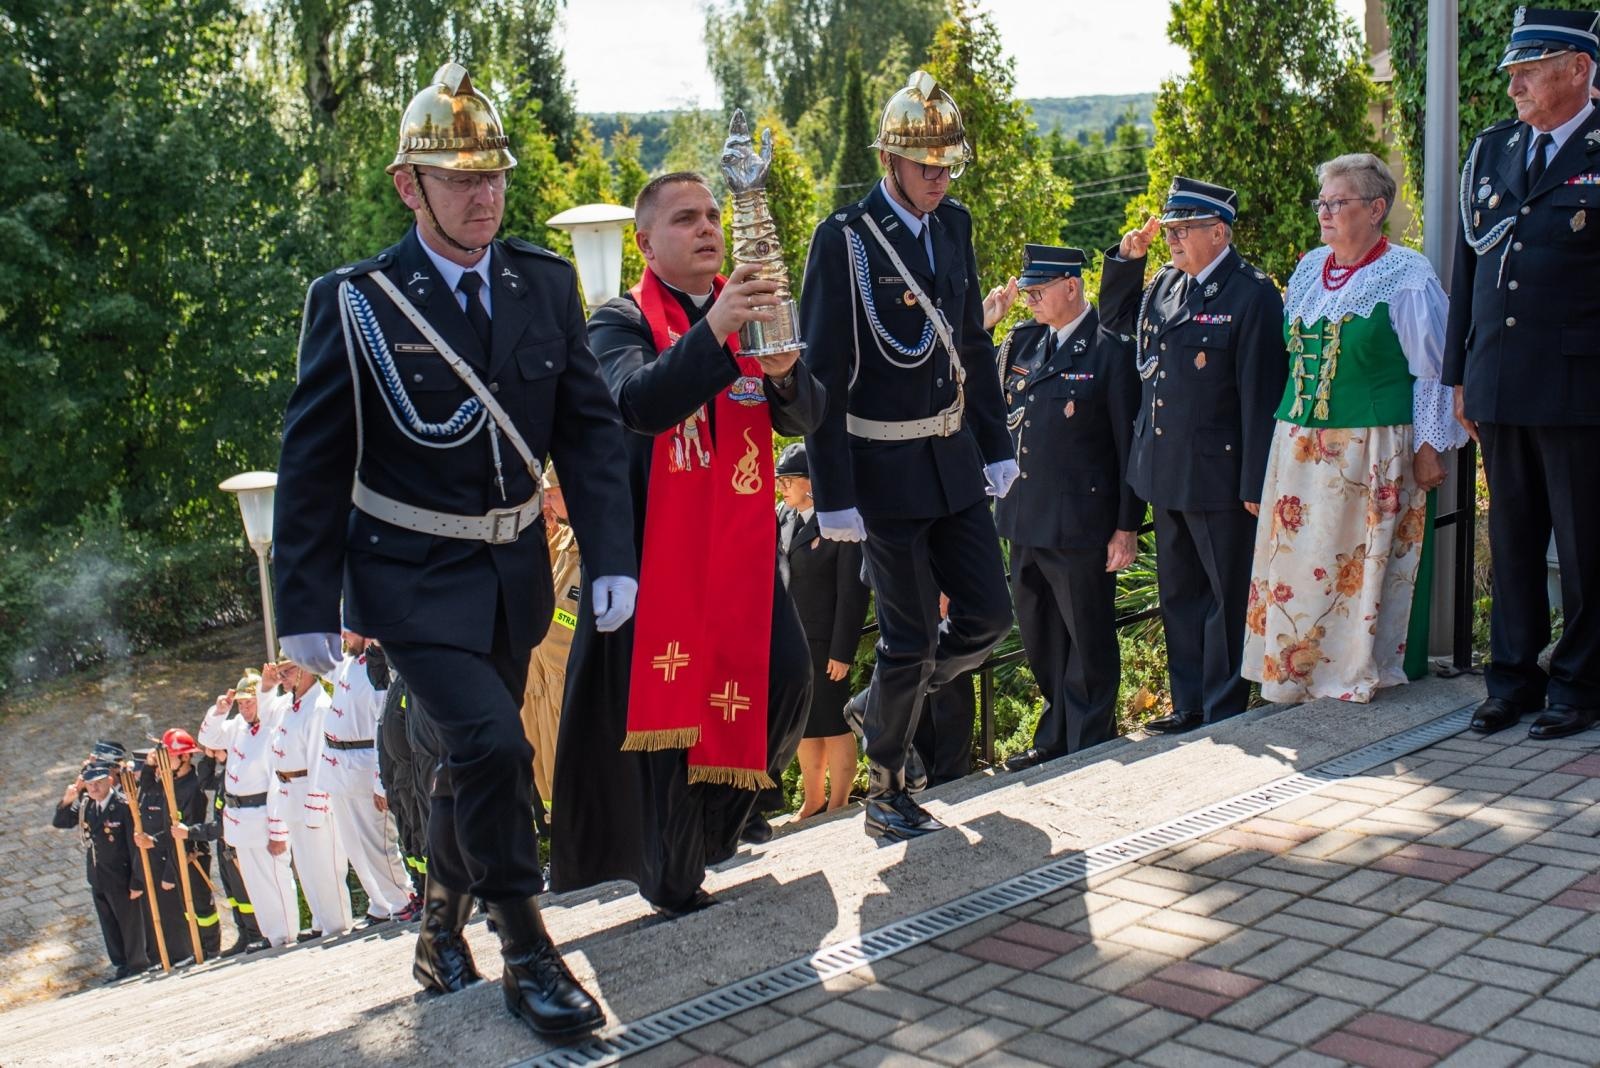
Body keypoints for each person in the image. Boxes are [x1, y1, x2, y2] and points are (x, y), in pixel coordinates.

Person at [272, 62, 636, 1037]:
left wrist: (611, 555)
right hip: (403, 574)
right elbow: (312, 461)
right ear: (410, 186)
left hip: (511, 570)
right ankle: (527, 950)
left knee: (460, 761)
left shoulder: (543, 285)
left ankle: (439, 930)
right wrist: (300, 606)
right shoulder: (357, 302)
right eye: (460, 177)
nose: (484, 194)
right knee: (493, 746)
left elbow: (587, 432)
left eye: (494, 175)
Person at [552, 170, 818, 915]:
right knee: (668, 725)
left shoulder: (750, 315)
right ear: (645, 242)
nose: (707, 229)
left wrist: (787, 375)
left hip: (736, 552)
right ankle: (673, 877)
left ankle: (715, 831)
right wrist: (716, 331)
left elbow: (803, 421)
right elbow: (639, 402)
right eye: (685, 219)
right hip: (657, 560)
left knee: (788, 679)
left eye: (711, 216)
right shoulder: (617, 321)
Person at [799, 70, 1016, 841]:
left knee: (990, 616)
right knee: (910, 637)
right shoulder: (845, 240)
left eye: (948, 166)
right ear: (890, 160)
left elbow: (972, 343)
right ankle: (887, 788)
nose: (939, 178)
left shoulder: (953, 226)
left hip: (952, 462)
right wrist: (833, 492)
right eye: (927, 165)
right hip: (880, 474)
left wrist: (995, 442)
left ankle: (882, 704)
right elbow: (822, 370)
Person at [1243, 154, 1462, 704]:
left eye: (1338, 202)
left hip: (1372, 448)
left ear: (1376, 208)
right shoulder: (1308, 268)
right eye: (1322, 202)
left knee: (1355, 565)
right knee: (1300, 565)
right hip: (1297, 444)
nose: (1325, 212)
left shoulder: (1407, 276)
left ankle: (1353, 669)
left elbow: (1434, 368)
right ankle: (1297, 677)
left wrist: (1432, 445)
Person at [1445, 8, 1600, 741]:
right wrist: (1457, 374)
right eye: (1512, 70)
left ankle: (1579, 684)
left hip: (1579, 385)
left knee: (1584, 545)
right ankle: (1512, 678)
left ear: (1579, 69)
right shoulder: (1493, 150)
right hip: (1499, 380)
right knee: (1510, 540)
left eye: (1531, 69)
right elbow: (1466, 268)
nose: (1515, 84)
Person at [1100, 178, 1288, 734]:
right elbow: (1115, 326)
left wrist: (1255, 481)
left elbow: (1259, 396)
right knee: (1179, 594)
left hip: (1220, 476)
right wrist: (1128, 263)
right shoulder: (1163, 284)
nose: (1173, 238)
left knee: (1225, 597)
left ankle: (1224, 704)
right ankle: (1188, 705)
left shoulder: (1250, 293)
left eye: (1184, 229)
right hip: (1165, 468)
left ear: (1219, 231)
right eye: (1172, 228)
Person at [986, 245, 1142, 768]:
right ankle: (1055, 737)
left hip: (1080, 523)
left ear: (1071, 287)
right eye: (1027, 291)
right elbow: (978, 396)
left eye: (1038, 290)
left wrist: (1126, 526)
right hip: (1024, 518)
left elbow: (1126, 446)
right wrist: (985, 325)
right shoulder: (1023, 343)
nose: (1029, 299)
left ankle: (1089, 739)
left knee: (1087, 636)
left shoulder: (1108, 350)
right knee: (1039, 637)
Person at [775, 442, 869, 818]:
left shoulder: (837, 521)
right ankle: (813, 799)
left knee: (832, 721)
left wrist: (843, 650)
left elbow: (852, 590)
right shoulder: (781, 517)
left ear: (810, 483)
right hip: (789, 638)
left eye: (788, 480)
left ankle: (839, 801)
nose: (782, 487)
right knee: (803, 724)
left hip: (825, 640)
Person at [196, 670, 302, 948]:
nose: (244, 708)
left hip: (263, 814)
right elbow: (208, 739)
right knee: (254, 883)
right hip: (240, 818)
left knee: (276, 878)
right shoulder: (234, 728)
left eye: (249, 702)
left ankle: (287, 934)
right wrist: (219, 711)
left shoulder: (272, 729)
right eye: (240, 703)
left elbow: (276, 783)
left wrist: (277, 830)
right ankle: (270, 934)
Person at [323, 635, 414, 925]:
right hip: (341, 767)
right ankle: (382, 900)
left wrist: (379, 781)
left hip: (364, 762)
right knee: (356, 845)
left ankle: (403, 897)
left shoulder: (378, 669)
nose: (343, 636)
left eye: (348, 629)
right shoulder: (348, 663)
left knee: (379, 844)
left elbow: (381, 725)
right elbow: (313, 659)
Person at [262, 660, 352, 938]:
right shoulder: (289, 706)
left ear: (305, 671)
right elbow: (263, 716)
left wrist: (315, 807)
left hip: (310, 792)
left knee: (325, 866)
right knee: (307, 868)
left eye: (287, 671)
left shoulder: (319, 707)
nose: (283, 678)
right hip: (291, 792)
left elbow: (319, 760)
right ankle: (322, 922)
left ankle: (337, 924)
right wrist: (266, 686)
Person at [52, 756, 149, 980]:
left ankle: (137, 964)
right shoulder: (87, 804)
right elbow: (62, 822)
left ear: (109, 780)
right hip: (98, 875)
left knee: (129, 924)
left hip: (121, 876)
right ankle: (121, 964)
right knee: (109, 925)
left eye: (98, 783)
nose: (94, 788)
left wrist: (137, 881)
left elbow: (135, 849)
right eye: (89, 783)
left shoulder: (123, 806)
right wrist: (69, 797)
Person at [131, 729, 222, 961]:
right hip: (175, 851)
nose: (166, 761)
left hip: (192, 853)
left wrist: (157, 847)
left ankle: (211, 948)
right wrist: (150, 766)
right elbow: (149, 789)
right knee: (187, 907)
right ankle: (197, 948)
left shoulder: (193, 787)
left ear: (184, 757)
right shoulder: (170, 782)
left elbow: (185, 830)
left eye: (170, 756)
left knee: (201, 906)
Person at [520, 462, 580, 806]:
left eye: (551, 494)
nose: (546, 502)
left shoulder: (593, 539)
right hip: (543, 688)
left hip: (565, 683)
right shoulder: (561, 539)